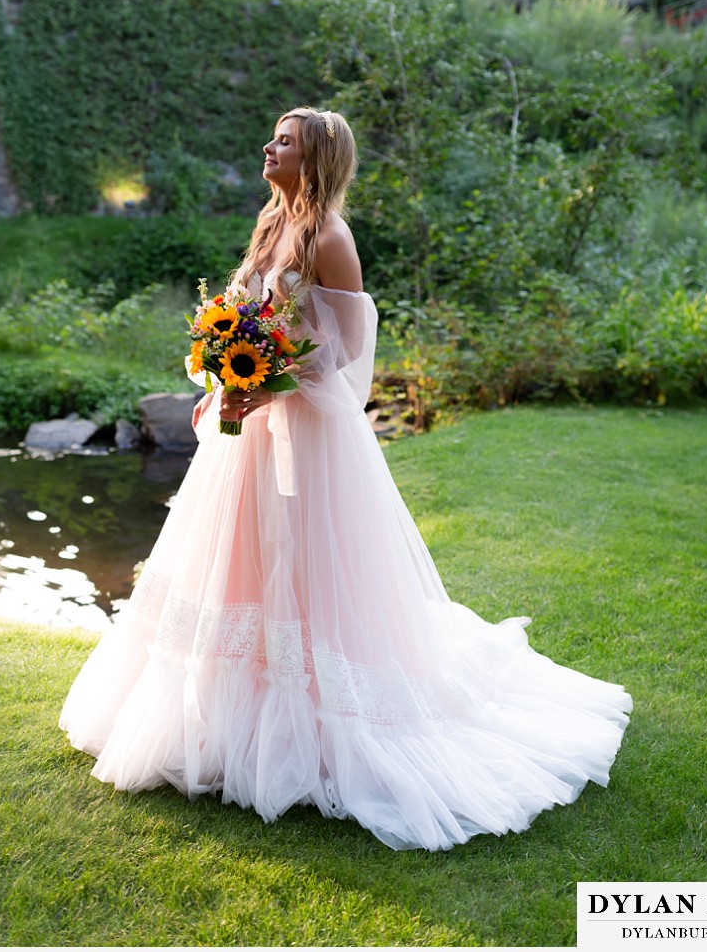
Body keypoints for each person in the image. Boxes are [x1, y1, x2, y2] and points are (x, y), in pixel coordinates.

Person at [60, 107, 631, 851]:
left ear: (318, 155)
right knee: (236, 571)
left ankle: (323, 728)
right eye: (271, 135)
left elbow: (347, 361)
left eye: (285, 141)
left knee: (311, 577)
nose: (269, 146)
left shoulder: (332, 239)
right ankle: (223, 724)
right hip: (247, 439)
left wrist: (271, 382)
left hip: (310, 441)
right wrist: (222, 371)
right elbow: (244, 318)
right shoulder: (271, 227)